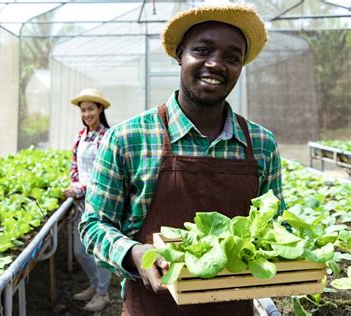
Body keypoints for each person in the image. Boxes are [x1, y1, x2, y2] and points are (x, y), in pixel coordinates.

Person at [80, 3, 285, 316]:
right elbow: (94, 225)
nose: (216, 64)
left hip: (234, 308)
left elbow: (273, 225)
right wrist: (135, 253)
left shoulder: (261, 144)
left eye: (232, 57)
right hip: (151, 307)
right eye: (202, 50)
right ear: (179, 54)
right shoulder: (128, 138)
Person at [63, 88, 112, 312]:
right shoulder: (81, 136)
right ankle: (95, 285)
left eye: (90, 109)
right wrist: (75, 185)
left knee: (99, 250)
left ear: (100, 109)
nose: (86, 114)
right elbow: (75, 166)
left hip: (101, 202)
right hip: (82, 201)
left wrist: (80, 189)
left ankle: (103, 293)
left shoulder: (106, 136)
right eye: (83, 110)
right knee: (81, 251)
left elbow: (103, 174)